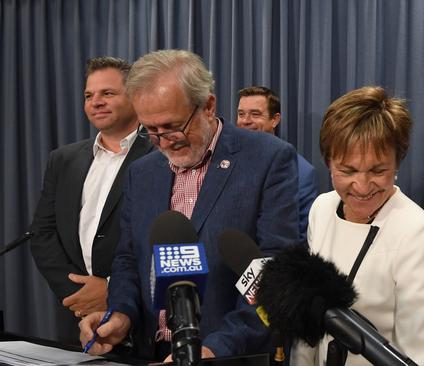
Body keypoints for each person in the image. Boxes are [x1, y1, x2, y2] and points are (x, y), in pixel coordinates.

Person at [79, 49, 300, 361]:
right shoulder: (142, 173)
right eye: (151, 131)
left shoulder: (268, 159)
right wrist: (120, 316)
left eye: (172, 126)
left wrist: (214, 349)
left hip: (228, 354)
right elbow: (129, 258)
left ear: (208, 106)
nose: (165, 140)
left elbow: (273, 269)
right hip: (152, 353)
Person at [292, 86, 424, 366]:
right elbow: (309, 321)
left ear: (397, 162)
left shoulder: (419, 232)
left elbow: (419, 355)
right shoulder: (322, 209)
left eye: (378, 171)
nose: (362, 187)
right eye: (347, 170)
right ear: (328, 162)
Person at [30, 56, 152, 344]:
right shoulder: (63, 159)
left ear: (135, 96)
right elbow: (42, 235)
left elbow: (159, 242)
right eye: (89, 95)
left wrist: (112, 289)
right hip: (77, 317)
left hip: (141, 319)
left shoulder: (160, 156)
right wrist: (79, 297)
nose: (95, 102)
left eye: (107, 93)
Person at [236, 86, 318, 242]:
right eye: (241, 114)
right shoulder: (223, 163)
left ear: (275, 120)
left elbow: (298, 238)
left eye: (255, 114)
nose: (245, 121)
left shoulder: (303, 171)